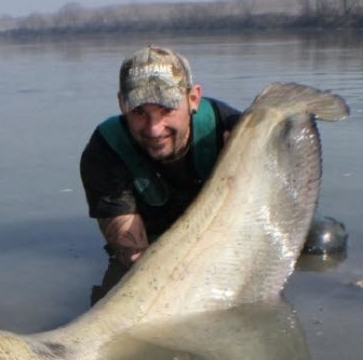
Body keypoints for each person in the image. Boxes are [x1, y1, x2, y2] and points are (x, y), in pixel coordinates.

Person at [79, 45, 241, 303]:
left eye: (167, 110)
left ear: (193, 98)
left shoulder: (232, 129)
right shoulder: (106, 150)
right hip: (155, 243)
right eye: (139, 112)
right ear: (122, 103)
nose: (154, 129)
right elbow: (133, 256)